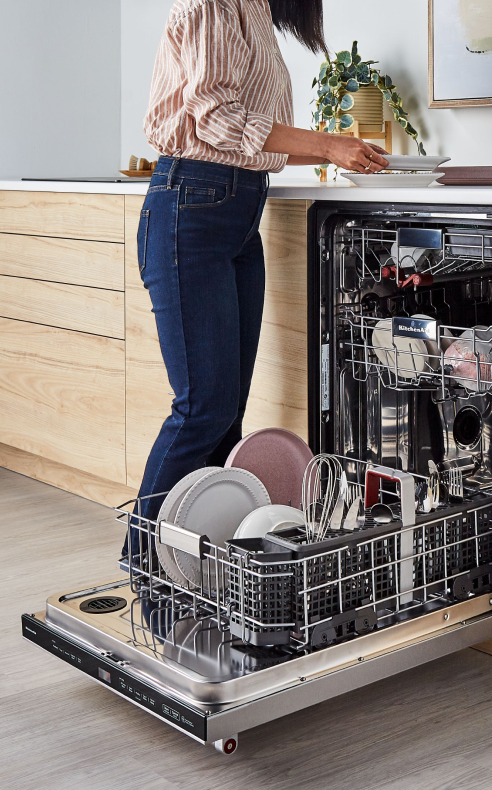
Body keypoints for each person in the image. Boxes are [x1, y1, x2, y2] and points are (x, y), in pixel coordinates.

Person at [132, 0, 384, 530]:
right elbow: (217, 119)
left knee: (227, 415)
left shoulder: (256, 11)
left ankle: (205, 562)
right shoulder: (215, 3)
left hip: (239, 213)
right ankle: (144, 561)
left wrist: (343, 152)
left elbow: (256, 140)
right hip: (191, 208)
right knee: (203, 408)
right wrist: (327, 145)